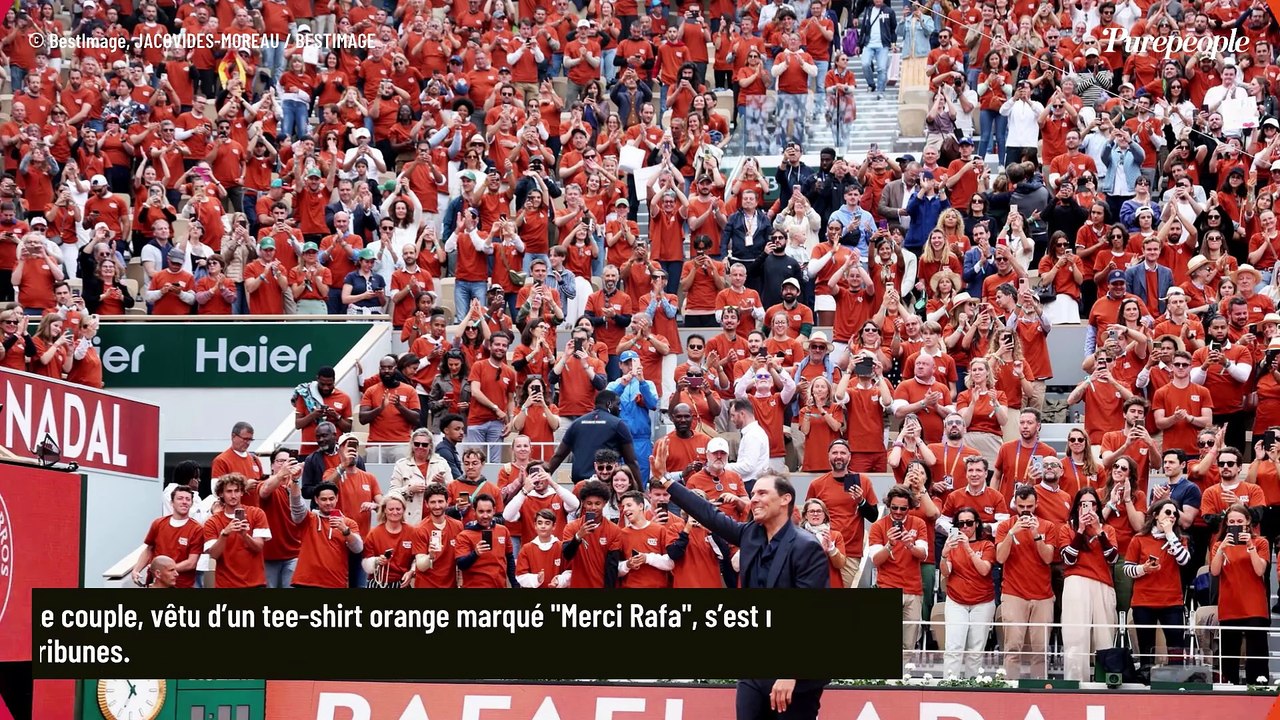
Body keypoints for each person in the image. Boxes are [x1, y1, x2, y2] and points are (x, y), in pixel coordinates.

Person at [655, 470, 829, 719]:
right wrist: (666, 480)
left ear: (785, 499)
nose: (754, 498)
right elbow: (708, 514)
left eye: (762, 493)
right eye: (753, 493)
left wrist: (791, 673)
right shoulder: (750, 534)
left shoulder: (805, 546)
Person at [995, 485, 1057, 680]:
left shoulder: (1048, 526)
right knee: (1013, 646)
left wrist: (1036, 535)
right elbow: (1000, 558)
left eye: (1029, 506)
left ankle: (1040, 688)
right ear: (1015, 505)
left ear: (1036, 504)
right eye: (1021, 506)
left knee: (1040, 649)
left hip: (1043, 595)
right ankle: (1009, 686)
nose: (1025, 511)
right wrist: (1012, 534)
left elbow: (1048, 559)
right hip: (1014, 593)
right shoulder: (1005, 527)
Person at [1059, 487, 1119, 682]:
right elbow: (1068, 559)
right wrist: (1081, 531)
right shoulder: (1066, 528)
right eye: (1083, 504)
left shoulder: (1108, 529)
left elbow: (1113, 559)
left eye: (1092, 504)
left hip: (1103, 583)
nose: (1088, 508)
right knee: (1075, 635)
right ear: (1077, 507)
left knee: (1105, 635)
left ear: (1098, 507)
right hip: (1076, 580)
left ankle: (1105, 681)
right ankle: (1075, 682)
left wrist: (1099, 531)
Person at [1122, 499, 1191, 667]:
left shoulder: (1179, 540)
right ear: (1155, 515)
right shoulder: (1139, 539)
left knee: (1176, 648)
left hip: (1172, 602)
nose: (1172, 516)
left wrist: (1170, 534)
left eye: (1175, 513)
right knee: (1146, 649)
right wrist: (1144, 569)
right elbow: (1127, 569)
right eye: (1167, 512)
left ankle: (1177, 682)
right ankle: (1146, 680)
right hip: (1144, 601)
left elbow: (1184, 560)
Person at [1209, 504, 1270, 684]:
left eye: (1239, 521)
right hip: (1229, 605)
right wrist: (1221, 549)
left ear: (1248, 522)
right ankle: (1230, 685)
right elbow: (1214, 571)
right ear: (1226, 524)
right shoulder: (1219, 544)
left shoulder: (1260, 542)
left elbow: (1260, 571)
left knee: (1256, 653)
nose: (1236, 524)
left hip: (1254, 606)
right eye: (1232, 522)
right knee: (1229, 653)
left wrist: (1250, 546)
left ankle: (1258, 686)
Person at [869, 484, 931, 654]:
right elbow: (875, 560)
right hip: (888, 587)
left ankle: (902, 679)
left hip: (913, 589)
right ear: (888, 505)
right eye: (894, 507)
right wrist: (890, 544)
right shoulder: (878, 526)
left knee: (909, 644)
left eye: (903, 508)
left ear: (909, 508)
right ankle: (884, 680)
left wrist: (909, 544)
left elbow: (923, 554)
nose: (897, 512)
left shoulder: (918, 523)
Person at [941, 506, 996, 679]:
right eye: (961, 523)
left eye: (969, 523)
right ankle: (949, 684)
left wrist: (968, 548)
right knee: (953, 648)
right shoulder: (951, 545)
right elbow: (946, 572)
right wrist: (943, 555)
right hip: (957, 600)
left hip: (983, 601)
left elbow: (984, 570)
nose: (965, 527)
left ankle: (973, 687)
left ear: (977, 524)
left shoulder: (986, 544)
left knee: (976, 650)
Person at [546, 390, 641, 482]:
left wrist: (544, 477)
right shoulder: (618, 424)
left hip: (580, 484)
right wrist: (640, 491)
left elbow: (558, 456)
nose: (619, 408)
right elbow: (631, 461)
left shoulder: (577, 424)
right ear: (609, 404)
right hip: (605, 485)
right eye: (617, 404)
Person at [203, 473, 272, 589]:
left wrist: (244, 535)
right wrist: (225, 534)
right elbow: (213, 555)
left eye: (237, 491)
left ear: (242, 492)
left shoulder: (257, 513)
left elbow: (259, 547)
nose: (233, 495)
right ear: (221, 494)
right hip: (225, 585)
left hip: (255, 584)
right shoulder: (212, 522)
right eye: (229, 491)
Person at [291, 481, 364, 588]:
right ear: (316, 500)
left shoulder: (348, 523)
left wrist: (345, 531)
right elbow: (297, 505)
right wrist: (295, 481)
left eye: (331, 498)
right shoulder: (309, 519)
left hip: (335, 583)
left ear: (337, 498)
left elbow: (358, 548)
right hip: (305, 582)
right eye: (323, 499)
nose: (328, 503)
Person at [133, 486, 204, 589]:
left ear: (192, 503)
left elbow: (191, 563)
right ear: (171, 502)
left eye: (188, 499)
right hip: (155, 584)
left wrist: (164, 571)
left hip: (182, 585)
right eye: (180, 498)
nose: (184, 502)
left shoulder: (197, 529)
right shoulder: (158, 523)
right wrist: (136, 570)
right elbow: (148, 550)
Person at [389, 428, 453, 525]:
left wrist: (443, 483)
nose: (420, 447)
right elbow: (392, 494)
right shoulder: (401, 465)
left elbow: (452, 490)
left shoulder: (441, 463)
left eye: (424, 444)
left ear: (430, 446)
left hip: (436, 518)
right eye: (416, 444)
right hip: (411, 519)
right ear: (412, 445)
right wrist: (409, 489)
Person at [455, 493, 518, 587]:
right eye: (481, 511)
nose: (485, 516)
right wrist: (475, 553)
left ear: (494, 511)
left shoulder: (503, 530)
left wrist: (514, 584)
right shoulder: (464, 536)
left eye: (488, 511)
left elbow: (509, 558)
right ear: (474, 511)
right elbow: (461, 565)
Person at [411, 483, 466, 589]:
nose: (437, 506)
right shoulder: (420, 529)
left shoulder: (457, 526)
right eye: (433, 502)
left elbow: (461, 557)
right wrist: (430, 556)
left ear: (447, 502)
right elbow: (421, 566)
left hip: (450, 585)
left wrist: (461, 580)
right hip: (426, 585)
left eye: (440, 501)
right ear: (426, 504)